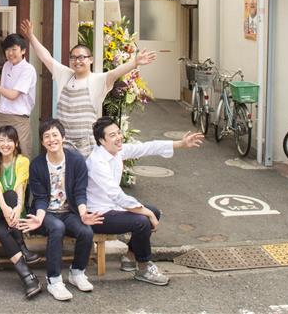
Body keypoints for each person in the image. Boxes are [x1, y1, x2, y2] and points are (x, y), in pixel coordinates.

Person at [86, 117, 203, 286]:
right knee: (141, 221)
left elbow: (147, 147)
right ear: (102, 141)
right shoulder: (97, 162)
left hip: (113, 208)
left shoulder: (116, 151)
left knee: (153, 212)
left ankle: (130, 257)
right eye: (112, 135)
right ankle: (144, 268)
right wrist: (146, 212)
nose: (118, 137)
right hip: (98, 214)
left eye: (118, 132)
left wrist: (181, 144)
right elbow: (117, 195)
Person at [20, 19, 157, 156]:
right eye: (73, 58)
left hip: (86, 146)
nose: (77, 61)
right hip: (63, 143)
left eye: (81, 57)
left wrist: (135, 62)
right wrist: (31, 35)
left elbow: (115, 73)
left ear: (90, 60)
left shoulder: (97, 80)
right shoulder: (64, 74)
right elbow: (46, 58)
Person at [18, 118, 103, 302]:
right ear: (42, 142)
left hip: (69, 211)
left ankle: (77, 272)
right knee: (57, 227)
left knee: (86, 231)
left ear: (63, 137)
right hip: (46, 213)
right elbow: (40, 197)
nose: (51, 139)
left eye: (55, 135)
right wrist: (39, 217)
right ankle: (54, 280)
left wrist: (83, 213)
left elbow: (80, 192)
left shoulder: (76, 161)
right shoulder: (37, 165)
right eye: (46, 136)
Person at [0, 125, 41, 299]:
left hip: (15, 210)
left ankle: (28, 278)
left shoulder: (22, 161)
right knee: (7, 195)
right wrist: (6, 209)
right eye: (2, 140)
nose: (5, 144)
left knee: (3, 231)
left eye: (9, 140)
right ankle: (22, 246)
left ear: (16, 143)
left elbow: (19, 187)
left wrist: (17, 208)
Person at [0, 32, 38, 158]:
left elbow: (13, 95)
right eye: (7, 49)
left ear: (23, 50)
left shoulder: (28, 69)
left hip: (19, 120)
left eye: (14, 49)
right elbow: (4, 88)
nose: (10, 53)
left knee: (21, 157)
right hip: (1, 117)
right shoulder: (7, 65)